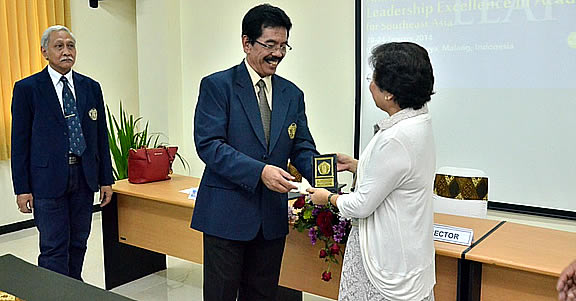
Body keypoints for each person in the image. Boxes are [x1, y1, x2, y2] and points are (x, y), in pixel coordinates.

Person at [191, 4, 319, 300]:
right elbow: (209, 145)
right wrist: (259, 172)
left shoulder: (292, 94)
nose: (278, 53)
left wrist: (329, 176)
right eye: (270, 45)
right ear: (246, 43)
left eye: (284, 45)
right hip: (225, 216)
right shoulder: (217, 86)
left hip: (271, 220)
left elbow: (301, 146)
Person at [308, 42, 437, 301]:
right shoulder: (418, 120)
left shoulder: (396, 137)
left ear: (389, 93)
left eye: (373, 79)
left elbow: (360, 205)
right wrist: (359, 165)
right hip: (410, 255)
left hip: (387, 260)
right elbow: (402, 174)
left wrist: (327, 198)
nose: (370, 85)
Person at [11, 25, 114, 281]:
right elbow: (20, 142)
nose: (66, 51)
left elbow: (101, 136)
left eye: (70, 45)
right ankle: (54, 294)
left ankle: (73, 290)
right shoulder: (28, 89)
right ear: (45, 51)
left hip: (84, 176)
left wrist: (106, 179)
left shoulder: (91, 87)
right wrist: (22, 188)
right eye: (59, 46)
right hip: (47, 181)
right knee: (54, 247)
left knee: (78, 242)